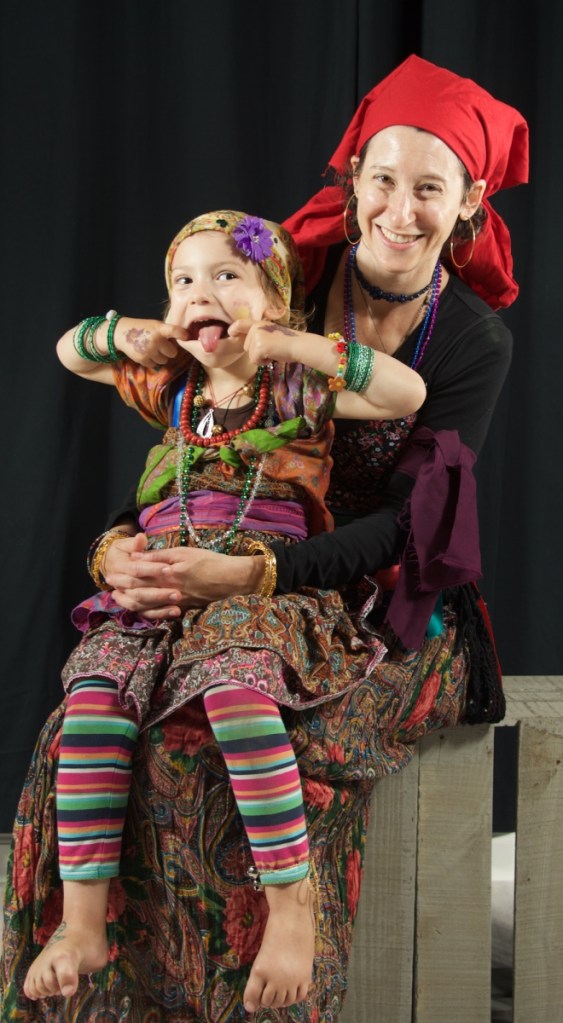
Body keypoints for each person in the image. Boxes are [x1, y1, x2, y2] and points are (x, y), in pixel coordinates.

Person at [1, 55, 528, 1023]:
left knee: (224, 714)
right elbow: (192, 453)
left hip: (383, 594)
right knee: (114, 707)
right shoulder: (272, 276)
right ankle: (110, 964)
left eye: (430, 188)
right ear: (351, 179)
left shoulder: (464, 342)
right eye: (381, 179)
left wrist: (248, 575)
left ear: (469, 201)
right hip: (228, 563)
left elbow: (405, 527)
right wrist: (119, 552)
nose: (399, 210)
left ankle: (285, 949)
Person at [21, 209, 425, 1011]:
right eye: (182, 281)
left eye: (224, 275)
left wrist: (288, 344)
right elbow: (70, 350)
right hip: (159, 591)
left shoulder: (294, 387)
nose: (198, 293)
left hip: (255, 587)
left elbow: (402, 392)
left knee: (236, 688)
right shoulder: (171, 387)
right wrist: (129, 333)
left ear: (274, 299)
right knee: (95, 698)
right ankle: (84, 921)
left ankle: (290, 904)